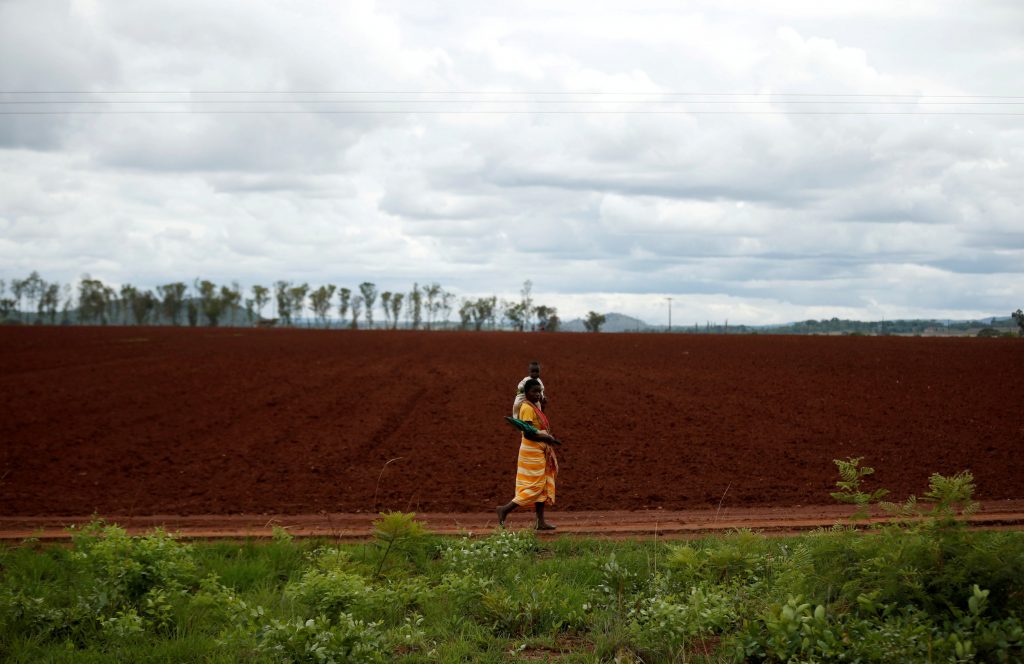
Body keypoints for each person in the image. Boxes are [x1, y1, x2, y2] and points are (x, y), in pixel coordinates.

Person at [497, 378, 560, 530]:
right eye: (534, 391)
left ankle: (540, 522)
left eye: (539, 391)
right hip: (532, 452)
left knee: (542, 485)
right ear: (526, 393)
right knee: (535, 486)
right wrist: (547, 437)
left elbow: (537, 426)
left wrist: (543, 408)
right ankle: (504, 509)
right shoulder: (526, 408)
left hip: (539, 451)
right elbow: (528, 434)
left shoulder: (534, 407)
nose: (538, 394)